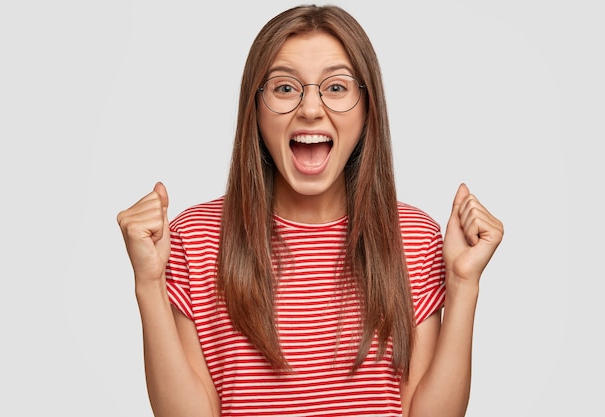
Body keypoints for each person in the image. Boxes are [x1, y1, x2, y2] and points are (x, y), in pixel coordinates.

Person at [117, 4, 503, 417]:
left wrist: (463, 285)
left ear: (367, 107)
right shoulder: (195, 237)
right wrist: (149, 283)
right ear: (256, 108)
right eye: (285, 88)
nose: (311, 109)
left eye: (337, 88)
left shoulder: (413, 236)